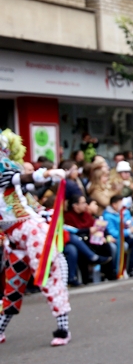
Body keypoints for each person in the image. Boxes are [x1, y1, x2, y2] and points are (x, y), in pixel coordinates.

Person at [0, 129, 72, 346]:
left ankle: (63, 329)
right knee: (12, 285)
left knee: (49, 276)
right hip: (13, 237)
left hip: (29, 230)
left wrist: (46, 174)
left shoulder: (5, 166)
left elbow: (21, 178)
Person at [64, 194, 116, 283]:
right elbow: (75, 231)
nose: (86, 205)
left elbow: (95, 226)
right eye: (83, 203)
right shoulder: (68, 216)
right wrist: (88, 230)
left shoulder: (86, 215)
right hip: (82, 240)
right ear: (75, 205)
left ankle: (109, 273)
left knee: (106, 245)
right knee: (79, 249)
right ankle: (86, 277)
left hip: (93, 239)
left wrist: (103, 236)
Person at [102, 194, 133, 276]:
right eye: (121, 203)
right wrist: (129, 231)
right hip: (117, 238)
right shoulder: (107, 216)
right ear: (114, 204)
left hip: (127, 236)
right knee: (129, 243)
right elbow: (113, 233)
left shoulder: (125, 211)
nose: (123, 205)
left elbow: (131, 222)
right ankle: (122, 269)